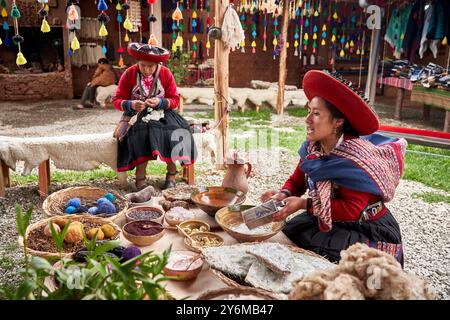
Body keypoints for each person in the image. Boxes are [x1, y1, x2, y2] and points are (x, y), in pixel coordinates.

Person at [261, 70, 406, 266]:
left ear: (338, 121)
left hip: (363, 226)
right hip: (330, 215)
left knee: (314, 257)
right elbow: (297, 179)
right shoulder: (314, 148)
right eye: (308, 112)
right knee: (287, 237)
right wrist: (283, 194)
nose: (308, 120)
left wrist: (304, 205)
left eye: (317, 114)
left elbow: (351, 209)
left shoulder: (355, 160)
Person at [113, 42, 196, 190]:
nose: (146, 69)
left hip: (164, 112)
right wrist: (131, 105)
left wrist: (160, 101)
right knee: (141, 134)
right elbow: (117, 100)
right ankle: (140, 177)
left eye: (150, 66)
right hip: (137, 114)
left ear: (158, 64)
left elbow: (175, 100)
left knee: (173, 132)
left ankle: (171, 173)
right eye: (143, 65)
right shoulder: (129, 74)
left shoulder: (165, 73)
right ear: (137, 62)